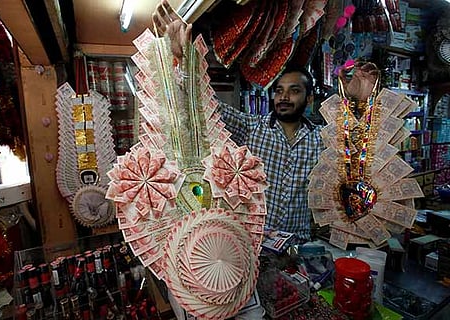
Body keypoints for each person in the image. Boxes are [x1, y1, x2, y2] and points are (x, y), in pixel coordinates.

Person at [152, 0, 379, 243]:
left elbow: (360, 157)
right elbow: (203, 108)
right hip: (254, 244)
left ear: (309, 98)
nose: (283, 97)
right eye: (279, 90)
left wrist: (362, 100)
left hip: (299, 246)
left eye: (294, 91)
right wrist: (181, 62)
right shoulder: (252, 128)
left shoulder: (321, 140)